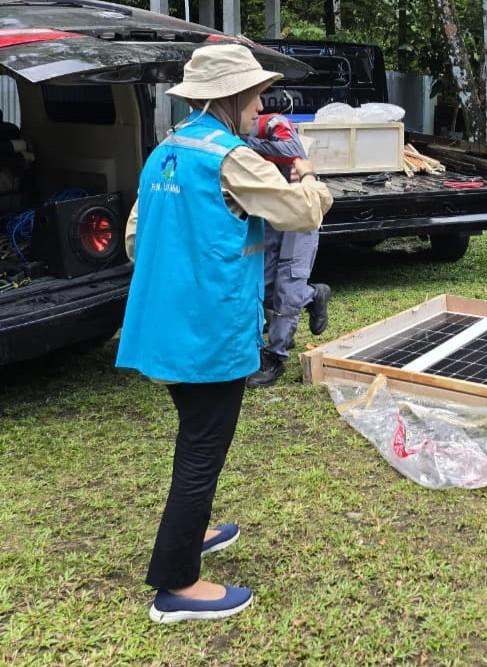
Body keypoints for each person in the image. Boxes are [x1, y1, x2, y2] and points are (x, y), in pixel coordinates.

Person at [115, 44, 333, 623]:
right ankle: (176, 583)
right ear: (234, 98)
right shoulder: (233, 157)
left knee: (195, 433)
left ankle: (197, 532)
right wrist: (306, 170)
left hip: (162, 325)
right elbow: (303, 211)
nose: (261, 103)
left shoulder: (165, 151)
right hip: (210, 330)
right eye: (256, 94)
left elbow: (137, 240)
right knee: (202, 450)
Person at [244, 113, 331, 388]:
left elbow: (294, 151)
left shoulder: (271, 124)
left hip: (301, 210)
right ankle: (315, 295)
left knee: (288, 286)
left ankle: (275, 356)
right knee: (265, 283)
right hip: (271, 212)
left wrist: (242, 143)